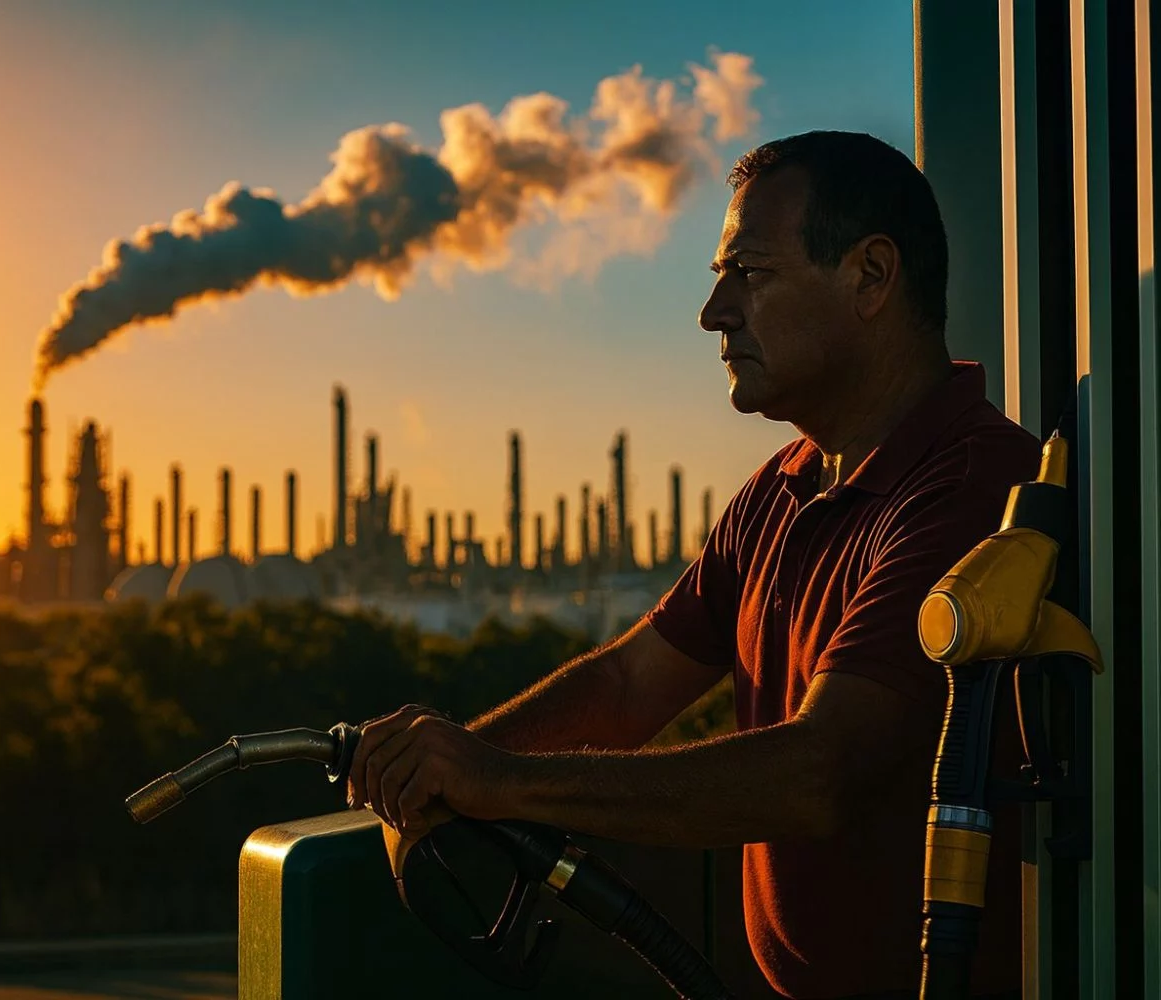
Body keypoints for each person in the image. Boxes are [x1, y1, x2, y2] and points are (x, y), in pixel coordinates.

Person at [347, 131, 1031, 1000]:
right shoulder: (778, 492)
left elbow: (820, 772)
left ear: (870, 276)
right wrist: (449, 761)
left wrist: (501, 780)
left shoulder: (972, 489)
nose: (714, 312)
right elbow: (633, 683)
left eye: (750, 273)